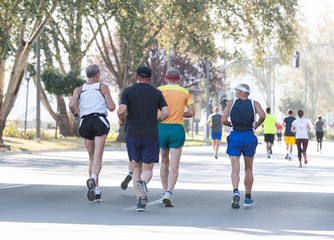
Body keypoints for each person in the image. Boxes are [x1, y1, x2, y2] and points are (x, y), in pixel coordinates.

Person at [117, 66, 170, 212]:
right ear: (150, 78)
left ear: (136, 77)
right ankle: (144, 185)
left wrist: (122, 120)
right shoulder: (156, 93)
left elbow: (121, 110)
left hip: (133, 133)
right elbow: (167, 112)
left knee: (136, 168)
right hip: (150, 134)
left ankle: (140, 202)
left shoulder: (128, 91)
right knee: (148, 169)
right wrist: (157, 120)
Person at [69, 64, 116, 202]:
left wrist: (76, 115)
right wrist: (104, 103)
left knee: (91, 158)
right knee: (98, 158)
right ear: (97, 75)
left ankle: (96, 190)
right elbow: (112, 107)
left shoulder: (79, 89)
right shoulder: (102, 87)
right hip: (99, 121)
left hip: (85, 122)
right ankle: (93, 178)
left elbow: (71, 105)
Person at [221, 83, 266, 209]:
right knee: (248, 169)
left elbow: (223, 120)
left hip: (235, 135)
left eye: (237, 90)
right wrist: (256, 125)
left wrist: (232, 125)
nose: (235, 93)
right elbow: (263, 115)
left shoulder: (232, 102)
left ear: (242, 92)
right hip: (249, 136)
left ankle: (235, 191)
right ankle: (248, 197)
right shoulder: (254, 103)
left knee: (235, 169)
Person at [158, 68, 195, 207]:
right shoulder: (185, 92)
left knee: (164, 162)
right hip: (177, 129)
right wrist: (179, 114)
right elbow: (191, 112)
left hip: (161, 128)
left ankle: (163, 190)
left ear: (166, 79)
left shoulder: (159, 90)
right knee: (175, 164)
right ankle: (169, 192)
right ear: (179, 80)